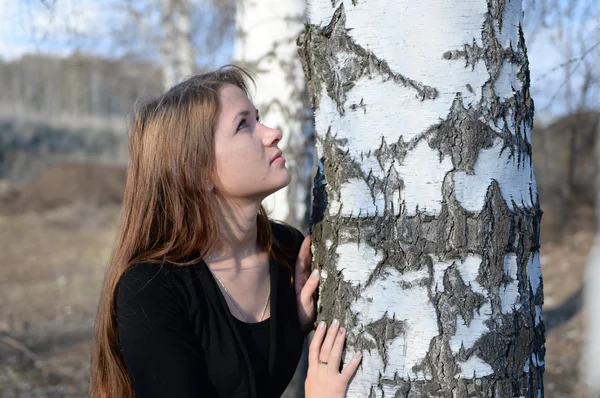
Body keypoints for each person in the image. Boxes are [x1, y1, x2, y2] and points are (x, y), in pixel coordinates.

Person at [89, 65, 362, 398]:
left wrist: (294, 325)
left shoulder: (288, 253)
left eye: (257, 118)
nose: (272, 132)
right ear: (197, 171)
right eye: (244, 125)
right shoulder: (152, 289)